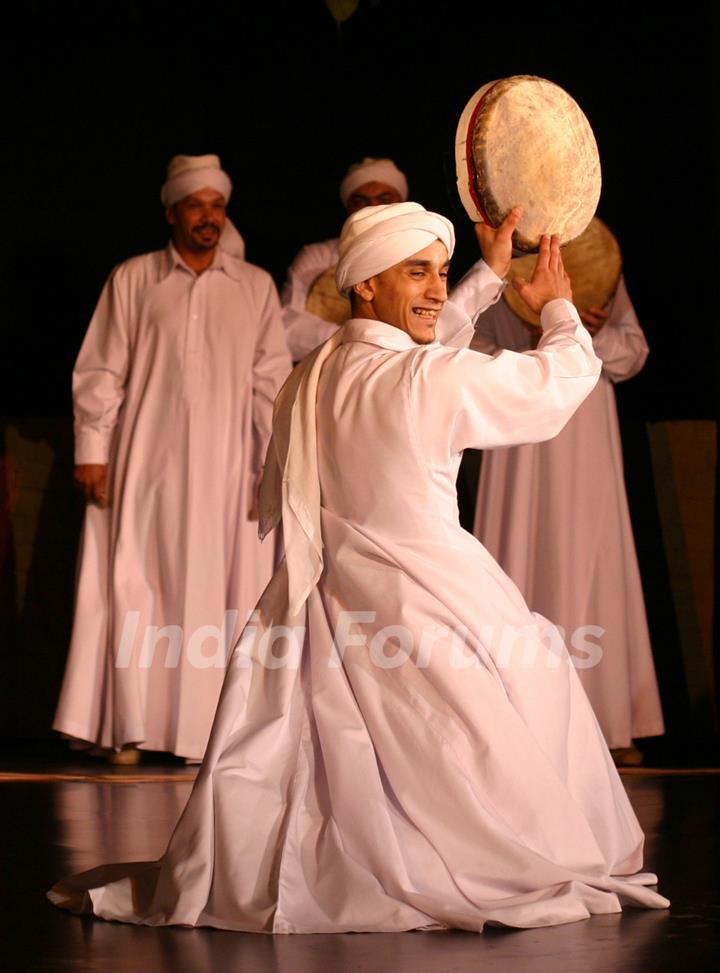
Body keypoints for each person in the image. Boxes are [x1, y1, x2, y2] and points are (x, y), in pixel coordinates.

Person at [49, 202, 668, 931]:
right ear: (365, 285)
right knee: (527, 689)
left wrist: (488, 276)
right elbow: (550, 388)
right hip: (428, 592)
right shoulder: (420, 378)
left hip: (334, 604)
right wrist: (560, 309)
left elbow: (423, 353)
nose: (437, 288)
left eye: (441, 272)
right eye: (419, 272)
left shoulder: (313, 375)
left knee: (348, 751)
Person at [52, 154, 292, 763]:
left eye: (217, 206)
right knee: (140, 580)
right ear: (172, 212)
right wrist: (93, 450)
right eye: (196, 205)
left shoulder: (255, 285)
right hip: (145, 460)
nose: (208, 217)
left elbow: (271, 382)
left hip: (227, 463)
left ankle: (204, 734)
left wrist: (273, 462)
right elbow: (101, 368)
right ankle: (132, 727)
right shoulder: (133, 278)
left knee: (220, 587)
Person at [471, 275, 664, 761]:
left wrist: (577, 334)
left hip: (583, 419)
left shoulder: (596, 269)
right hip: (521, 421)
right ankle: (521, 718)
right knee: (520, 550)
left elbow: (633, 352)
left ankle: (604, 719)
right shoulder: (500, 271)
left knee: (589, 552)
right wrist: (532, 348)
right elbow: (466, 347)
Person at [280, 157, 408, 361]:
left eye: (384, 199)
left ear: (401, 204)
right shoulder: (317, 257)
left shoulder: (416, 256)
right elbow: (288, 329)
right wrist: (359, 339)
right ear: (348, 207)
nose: (372, 208)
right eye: (360, 201)